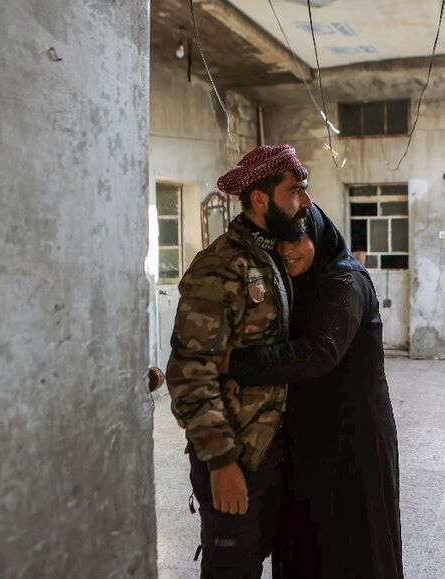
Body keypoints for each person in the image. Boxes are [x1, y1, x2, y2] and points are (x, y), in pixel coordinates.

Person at [228, 204, 404, 579]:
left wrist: (238, 363)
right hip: (313, 433)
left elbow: (320, 352)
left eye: (299, 240)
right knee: (310, 537)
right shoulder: (299, 283)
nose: (289, 251)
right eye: (280, 243)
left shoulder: (345, 280)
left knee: (351, 542)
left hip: (354, 436)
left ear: (319, 235)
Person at [165, 144, 311, 579]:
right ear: (261, 199)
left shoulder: (272, 258)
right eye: (295, 191)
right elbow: (190, 373)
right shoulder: (220, 267)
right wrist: (221, 462)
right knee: (232, 568)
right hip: (237, 458)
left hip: (272, 450)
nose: (304, 201)